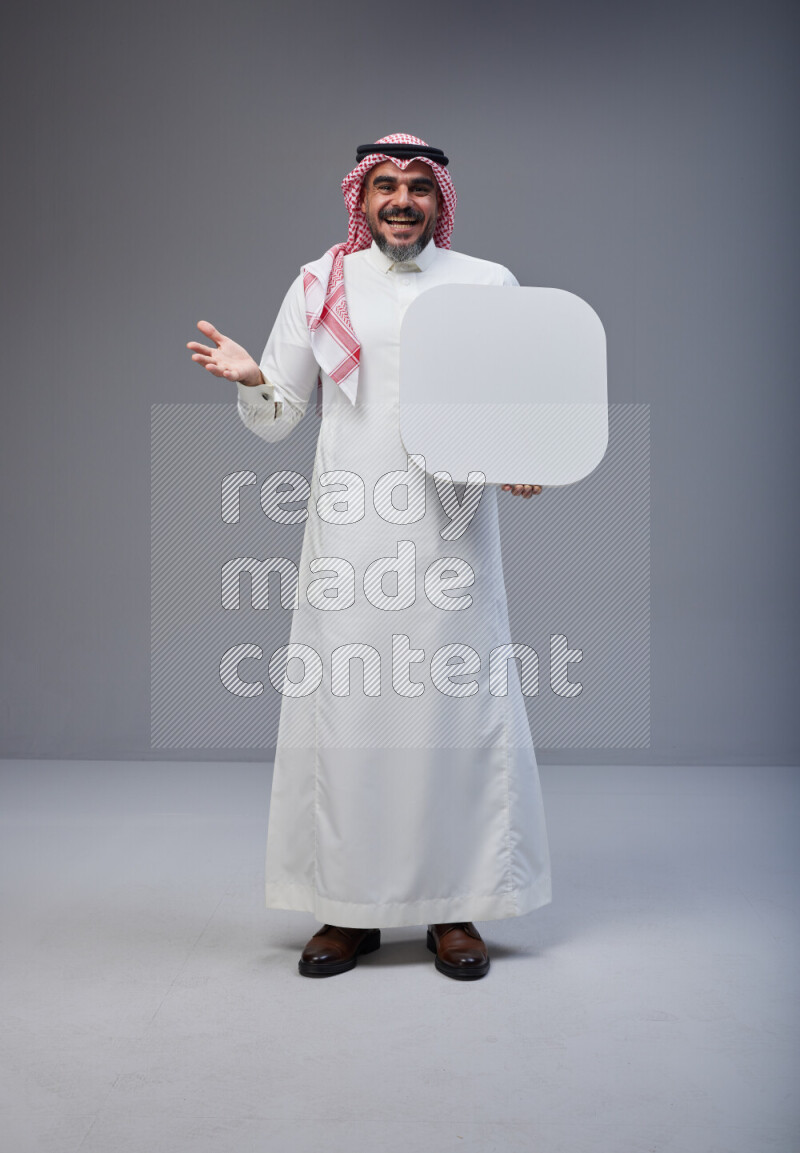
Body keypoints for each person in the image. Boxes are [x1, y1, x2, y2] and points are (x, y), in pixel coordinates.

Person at [186, 133, 551, 981]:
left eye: (418, 187)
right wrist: (250, 379)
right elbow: (280, 415)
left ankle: (454, 907)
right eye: (385, 185)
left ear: (440, 200)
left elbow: (515, 404)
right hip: (350, 531)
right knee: (348, 715)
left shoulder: (487, 285)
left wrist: (523, 459)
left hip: (452, 532)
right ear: (360, 197)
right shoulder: (321, 283)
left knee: (452, 713)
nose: (401, 200)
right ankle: (346, 910)